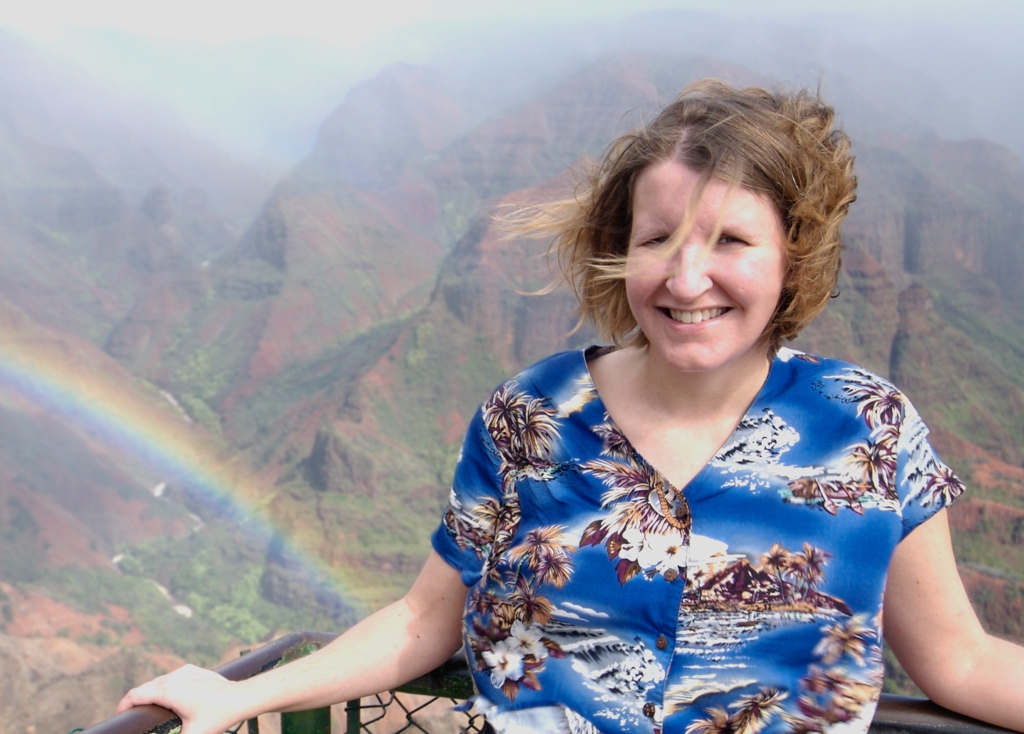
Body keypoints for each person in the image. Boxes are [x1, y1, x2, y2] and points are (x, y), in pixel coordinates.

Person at [117, 80, 1024, 734]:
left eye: (732, 241)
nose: (686, 276)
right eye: (656, 238)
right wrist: (242, 695)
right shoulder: (530, 416)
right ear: (617, 251)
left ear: (793, 258)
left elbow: (963, 662)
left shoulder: (869, 428)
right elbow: (423, 620)